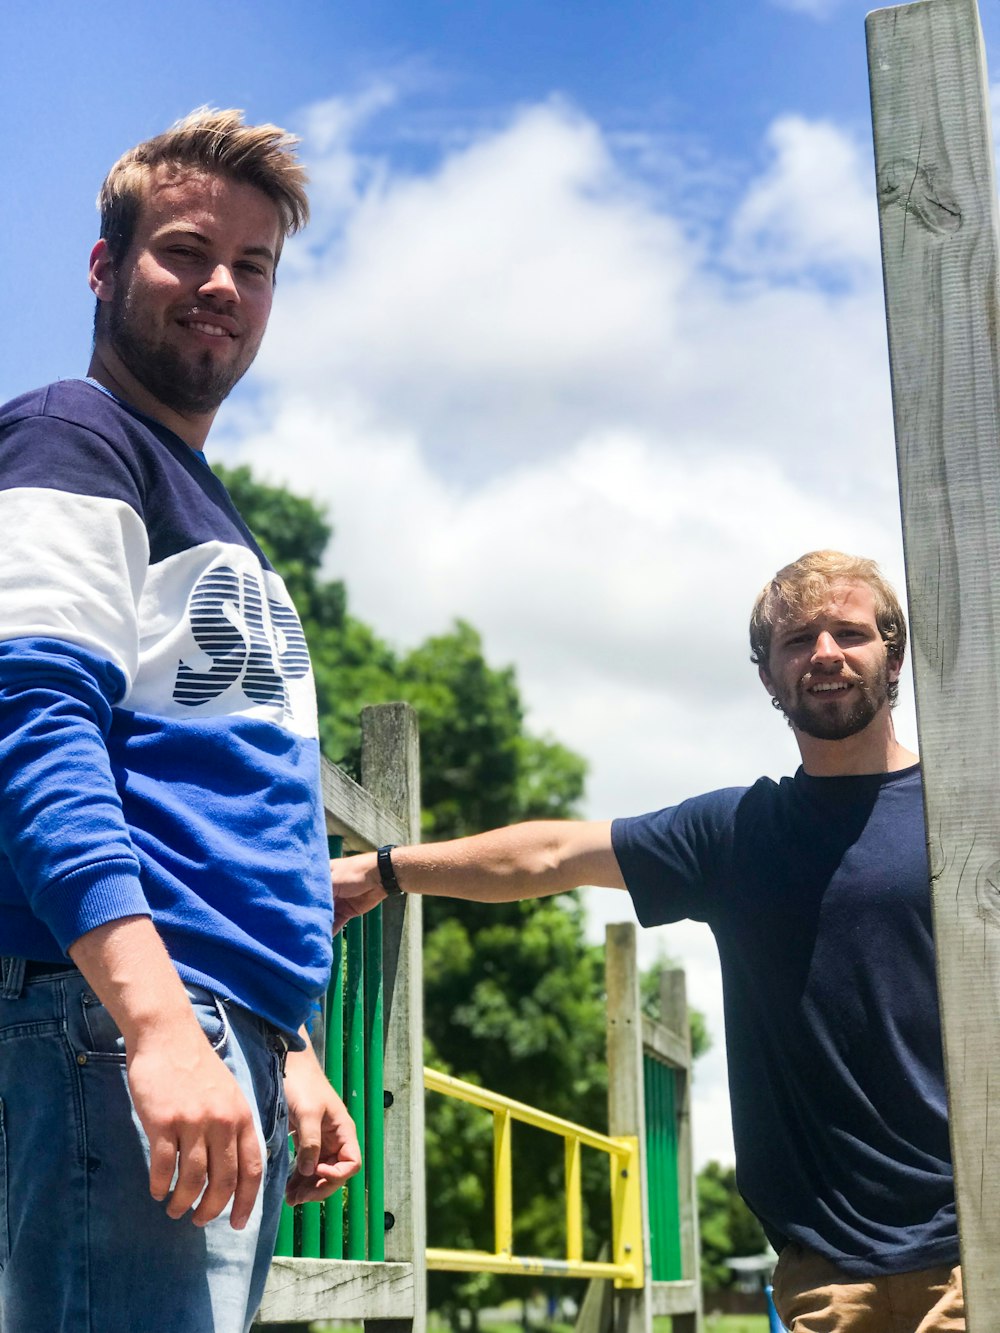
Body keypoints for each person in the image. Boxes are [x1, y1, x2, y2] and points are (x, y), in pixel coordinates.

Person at [335, 550, 963, 1333]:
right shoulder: (737, 834)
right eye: (799, 639)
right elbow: (552, 854)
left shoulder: (965, 815)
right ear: (769, 675)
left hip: (973, 1251)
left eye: (849, 631)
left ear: (893, 654)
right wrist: (386, 870)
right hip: (826, 1277)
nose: (826, 653)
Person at [0, 108, 359, 1333]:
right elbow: (37, 731)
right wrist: (154, 1023)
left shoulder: (207, 507)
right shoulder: (72, 438)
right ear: (105, 267)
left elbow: (227, 794)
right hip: (116, 1022)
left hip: (217, 1028)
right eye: (186, 252)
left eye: (251, 268)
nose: (222, 286)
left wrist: (289, 1039)